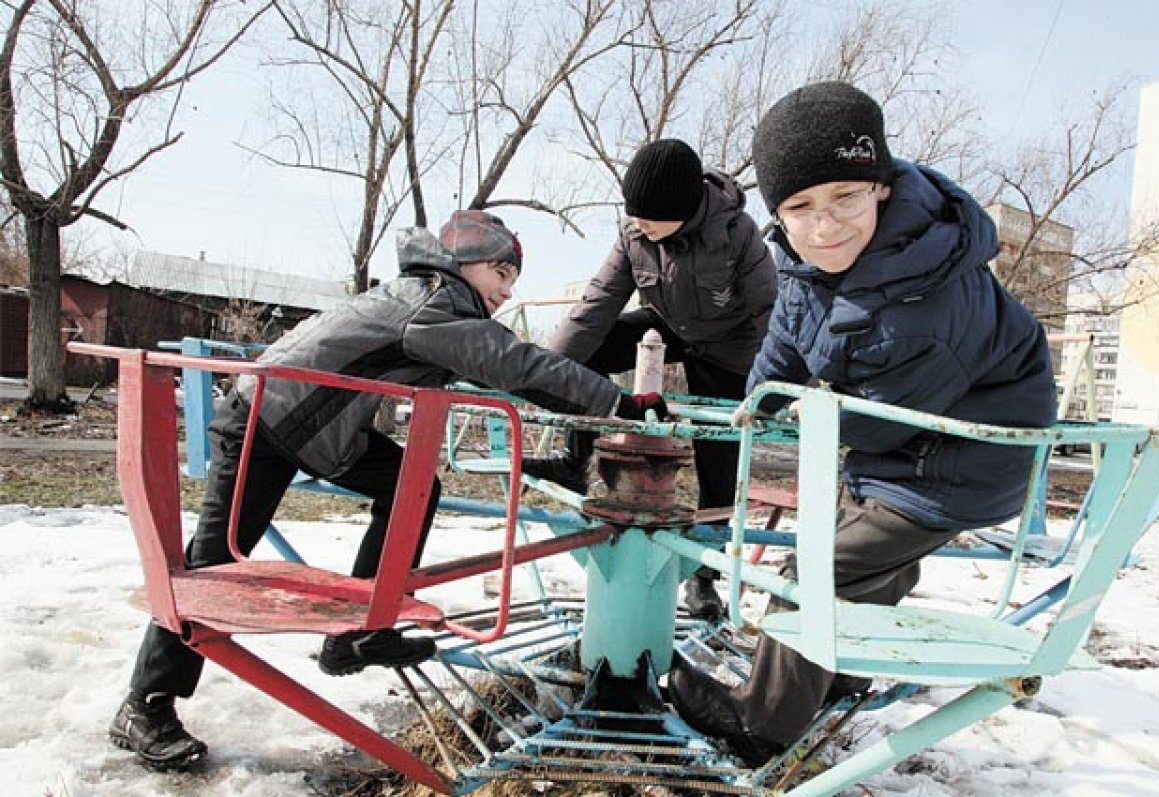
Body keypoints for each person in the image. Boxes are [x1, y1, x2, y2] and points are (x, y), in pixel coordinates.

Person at [109, 210, 670, 771]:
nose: (506, 291)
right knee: (206, 571)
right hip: (264, 423)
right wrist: (619, 404)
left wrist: (587, 400)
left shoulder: (432, 300)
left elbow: (509, 370)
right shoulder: (433, 303)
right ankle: (145, 707)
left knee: (412, 486)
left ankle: (360, 631)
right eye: (502, 273)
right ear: (466, 263)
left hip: (311, 429)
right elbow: (512, 362)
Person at [667, 81, 1058, 764]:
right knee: (859, 555)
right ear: (779, 212)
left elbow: (877, 425)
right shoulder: (802, 260)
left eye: (845, 197)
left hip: (957, 463)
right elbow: (787, 340)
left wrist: (817, 408)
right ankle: (837, 668)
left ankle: (762, 725)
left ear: (880, 185)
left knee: (813, 569)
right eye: (800, 207)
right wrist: (758, 400)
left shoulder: (928, 296)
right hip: (906, 450)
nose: (825, 226)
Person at [525, 138, 777, 620]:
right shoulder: (635, 234)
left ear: (682, 212)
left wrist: (776, 383)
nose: (637, 223)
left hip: (730, 349)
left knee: (720, 463)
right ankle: (571, 459)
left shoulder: (738, 234)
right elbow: (594, 308)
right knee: (589, 353)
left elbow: (771, 313)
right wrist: (543, 373)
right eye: (632, 214)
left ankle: (704, 579)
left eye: (648, 216)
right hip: (667, 327)